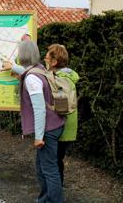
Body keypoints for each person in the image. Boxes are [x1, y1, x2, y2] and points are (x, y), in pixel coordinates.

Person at [13, 41, 65, 203]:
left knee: (49, 170)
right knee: (43, 168)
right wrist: (13, 67)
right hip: (55, 123)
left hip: (47, 129)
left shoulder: (31, 79)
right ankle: (44, 199)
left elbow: (40, 109)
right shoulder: (40, 69)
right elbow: (26, 71)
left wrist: (39, 137)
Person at [44, 44, 79, 186]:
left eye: (47, 57)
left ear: (54, 62)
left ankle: (55, 191)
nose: (44, 58)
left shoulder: (58, 78)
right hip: (69, 125)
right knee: (58, 159)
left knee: (54, 161)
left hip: (61, 124)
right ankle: (57, 187)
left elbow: (61, 105)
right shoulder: (68, 74)